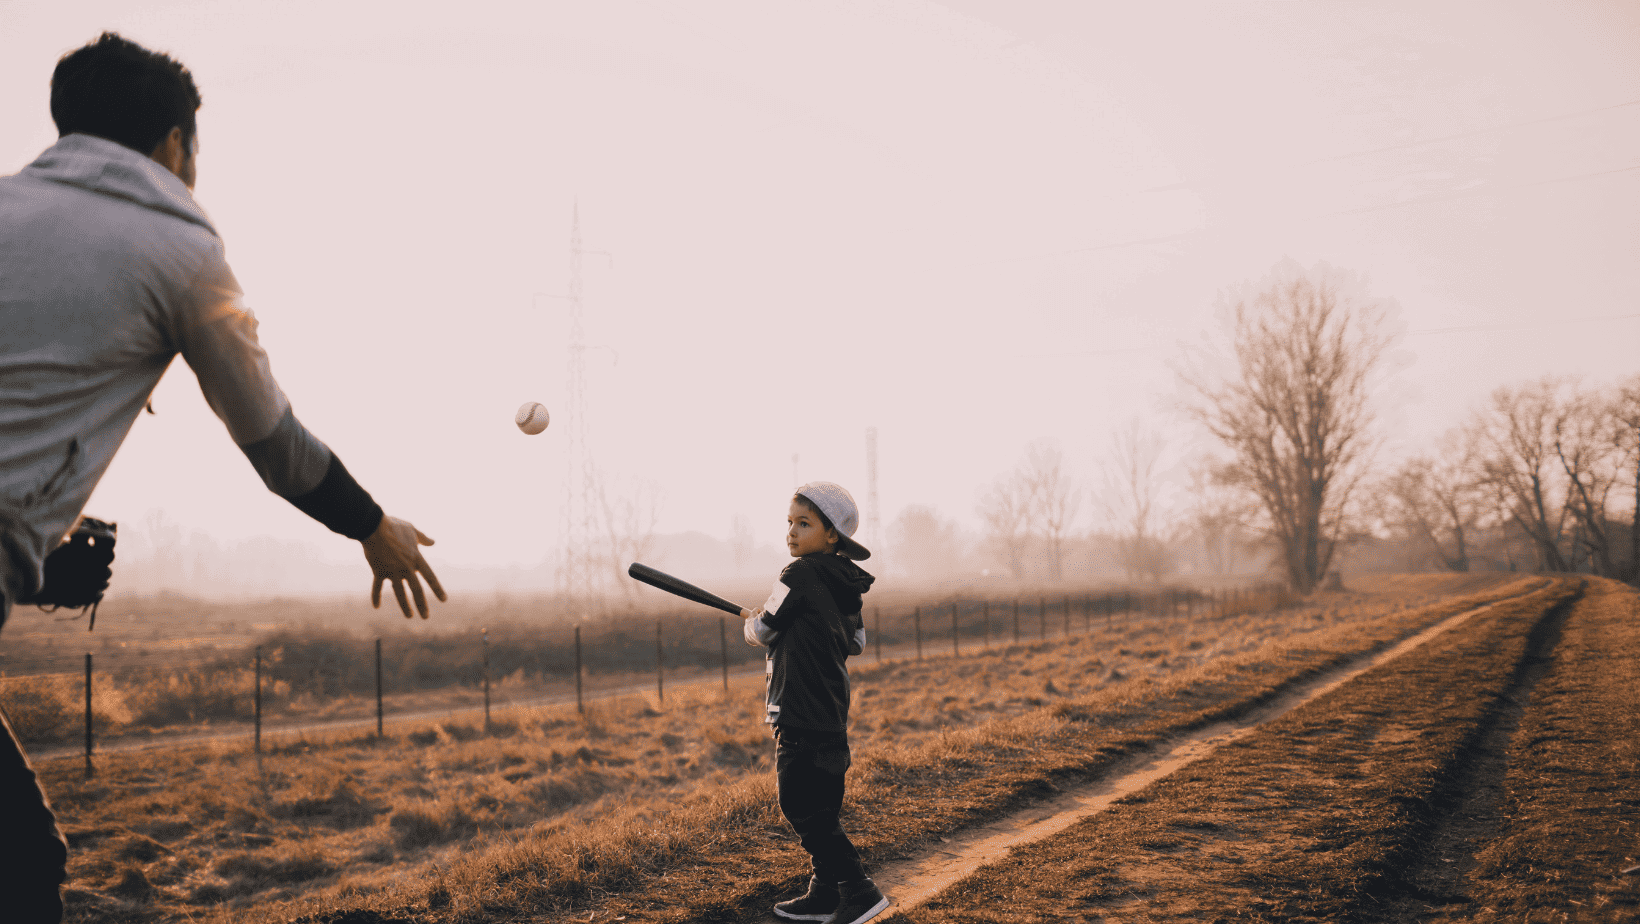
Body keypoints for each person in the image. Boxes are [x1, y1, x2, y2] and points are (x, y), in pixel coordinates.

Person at [0, 32, 445, 921]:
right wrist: (371, 524)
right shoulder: (178, 247)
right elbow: (273, 439)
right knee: (20, 865)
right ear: (175, 145)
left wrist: (28, 543)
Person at [741, 481, 889, 924]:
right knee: (823, 806)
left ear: (831, 536)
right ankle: (825, 893)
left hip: (798, 709)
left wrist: (751, 623)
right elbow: (857, 641)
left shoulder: (798, 575)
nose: (791, 532)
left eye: (803, 523)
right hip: (831, 712)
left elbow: (764, 630)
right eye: (789, 522)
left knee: (798, 804)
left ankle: (859, 890)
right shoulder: (846, 585)